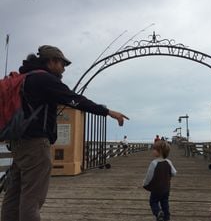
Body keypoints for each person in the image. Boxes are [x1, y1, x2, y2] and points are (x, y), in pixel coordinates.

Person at [1, 45, 129, 221]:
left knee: (13, 194)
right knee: (32, 198)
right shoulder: (45, 79)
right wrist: (107, 112)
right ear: (52, 61)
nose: (63, 69)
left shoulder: (24, 78)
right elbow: (75, 99)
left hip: (17, 143)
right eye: (62, 64)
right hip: (35, 145)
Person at [143, 140, 177, 221]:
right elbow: (174, 173)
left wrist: (145, 183)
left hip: (156, 189)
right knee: (165, 203)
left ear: (160, 151)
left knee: (153, 202)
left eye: (154, 149)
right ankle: (167, 218)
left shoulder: (154, 163)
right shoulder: (168, 162)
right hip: (166, 188)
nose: (152, 151)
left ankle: (158, 212)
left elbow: (149, 176)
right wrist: (167, 176)